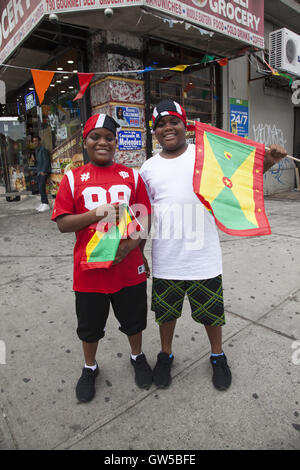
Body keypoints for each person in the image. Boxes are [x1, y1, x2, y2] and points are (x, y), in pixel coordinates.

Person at [139, 99, 287, 392]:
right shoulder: (148, 167)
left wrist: (270, 161)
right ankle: (166, 353)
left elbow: (243, 178)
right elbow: (142, 212)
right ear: (154, 132)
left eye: (173, 122)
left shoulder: (205, 155)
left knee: (211, 314)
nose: (167, 128)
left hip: (203, 256)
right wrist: (137, 254)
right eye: (160, 124)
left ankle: (217, 355)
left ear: (186, 125)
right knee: (165, 314)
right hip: (166, 256)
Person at [51, 114, 152, 403]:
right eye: (96, 136)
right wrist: (98, 213)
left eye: (109, 137)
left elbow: (144, 217)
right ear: (86, 142)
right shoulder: (72, 178)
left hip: (128, 267)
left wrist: (130, 247)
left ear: (116, 142)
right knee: (90, 326)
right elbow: (63, 223)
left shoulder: (131, 175)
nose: (103, 142)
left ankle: (137, 356)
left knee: (134, 321)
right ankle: (90, 367)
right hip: (89, 270)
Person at [33, 135, 51, 212]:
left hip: (43, 172)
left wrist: (44, 171)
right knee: (40, 188)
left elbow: (46, 161)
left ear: (39, 141)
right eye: (34, 141)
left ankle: (46, 204)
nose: (35, 142)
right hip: (39, 172)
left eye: (36, 141)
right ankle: (43, 203)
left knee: (41, 187)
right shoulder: (37, 150)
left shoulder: (43, 150)